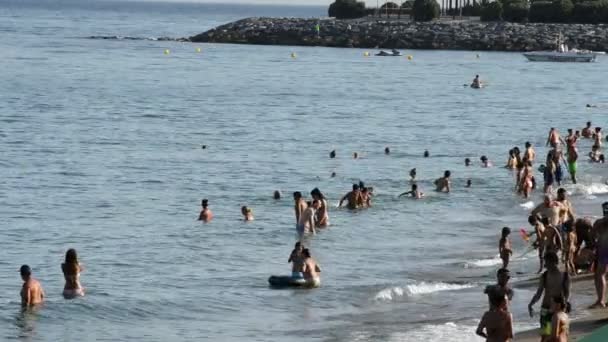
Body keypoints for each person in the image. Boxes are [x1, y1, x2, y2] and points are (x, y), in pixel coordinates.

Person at [528, 251, 571, 342]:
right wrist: (531, 304)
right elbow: (538, 293)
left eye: (547, 262)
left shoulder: (565, 276)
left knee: (560, 334)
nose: (546, 265)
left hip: (559, 309)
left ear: (555, 262)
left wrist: (565, 305)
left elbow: (567, 293)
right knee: (544, 335)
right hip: (545, 310)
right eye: (545, 262)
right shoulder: (544, 276)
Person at [591, 202, 608, 308]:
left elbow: (591, 235)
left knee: (600, 274)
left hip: (604, 250)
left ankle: (601, 300)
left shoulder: (599, 222)